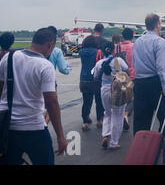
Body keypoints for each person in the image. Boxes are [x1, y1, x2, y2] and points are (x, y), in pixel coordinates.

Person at [0, 28, 67, 165]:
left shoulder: (9, 57)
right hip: (34, 129)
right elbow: (51, 103)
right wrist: (61, 136)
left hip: (8, 127)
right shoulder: (45, 66)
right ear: (50, 44)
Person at [133, 13, 165, 164]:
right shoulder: (159, 42)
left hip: (139, 83)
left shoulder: (137, 41)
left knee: (140, 121)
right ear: (158, 24)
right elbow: (162, 66)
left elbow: (134, 62)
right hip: (155, 83)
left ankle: (139, 151)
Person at [93, 41, 129, 150]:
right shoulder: (118, 61)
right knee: (117, 115)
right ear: (114, 50)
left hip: (104, 89)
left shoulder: (99, 63)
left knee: (107, 113)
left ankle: (106, 135)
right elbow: (127, 70)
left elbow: (95, 78)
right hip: (117, 89)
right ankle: (113, 142)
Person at [79, 35, 104, 131]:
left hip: (83, 79)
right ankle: (99, 120)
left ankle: (85, 122)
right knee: (99, 101)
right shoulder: (99, 52)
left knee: (86, 102)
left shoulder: (81, 52)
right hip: (95, 80)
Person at [116, 28, 136, 131]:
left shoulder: (117, 47)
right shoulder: (134, 46)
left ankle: (121, 115)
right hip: (132, 74)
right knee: (132, 97)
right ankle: (126, 113)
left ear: (122, 36)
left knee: (121, 96)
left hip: (120, 75)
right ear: (132, 36)